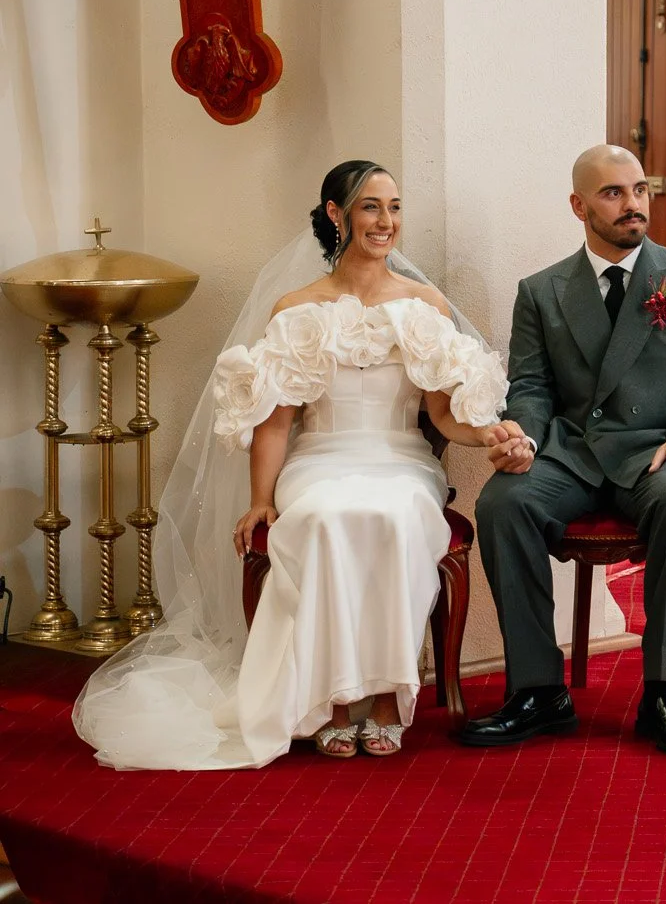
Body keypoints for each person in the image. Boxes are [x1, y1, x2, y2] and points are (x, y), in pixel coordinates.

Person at [72, 160, 517, 768]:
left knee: (393, 516)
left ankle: (385, 697)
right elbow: (276, 420)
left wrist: (487, 433)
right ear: (337, 214)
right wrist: (262, 499)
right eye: (370, 207)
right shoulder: (298, 308)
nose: (386, 221)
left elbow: (442, 417)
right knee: (324, 519)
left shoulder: (424, 306)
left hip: (400, 459)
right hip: (320, 458)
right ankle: (333, 704)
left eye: (394, 207)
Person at [456, 145, 666, 757]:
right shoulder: (540, 290)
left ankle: (663, 690)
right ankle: (538, 691)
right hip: (576, 453)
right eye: (613, 193)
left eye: (638, 189)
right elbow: (531, 384)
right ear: (578, 205)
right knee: (504, 503)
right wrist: (525, 438)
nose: (631, 203)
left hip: (661, 449)